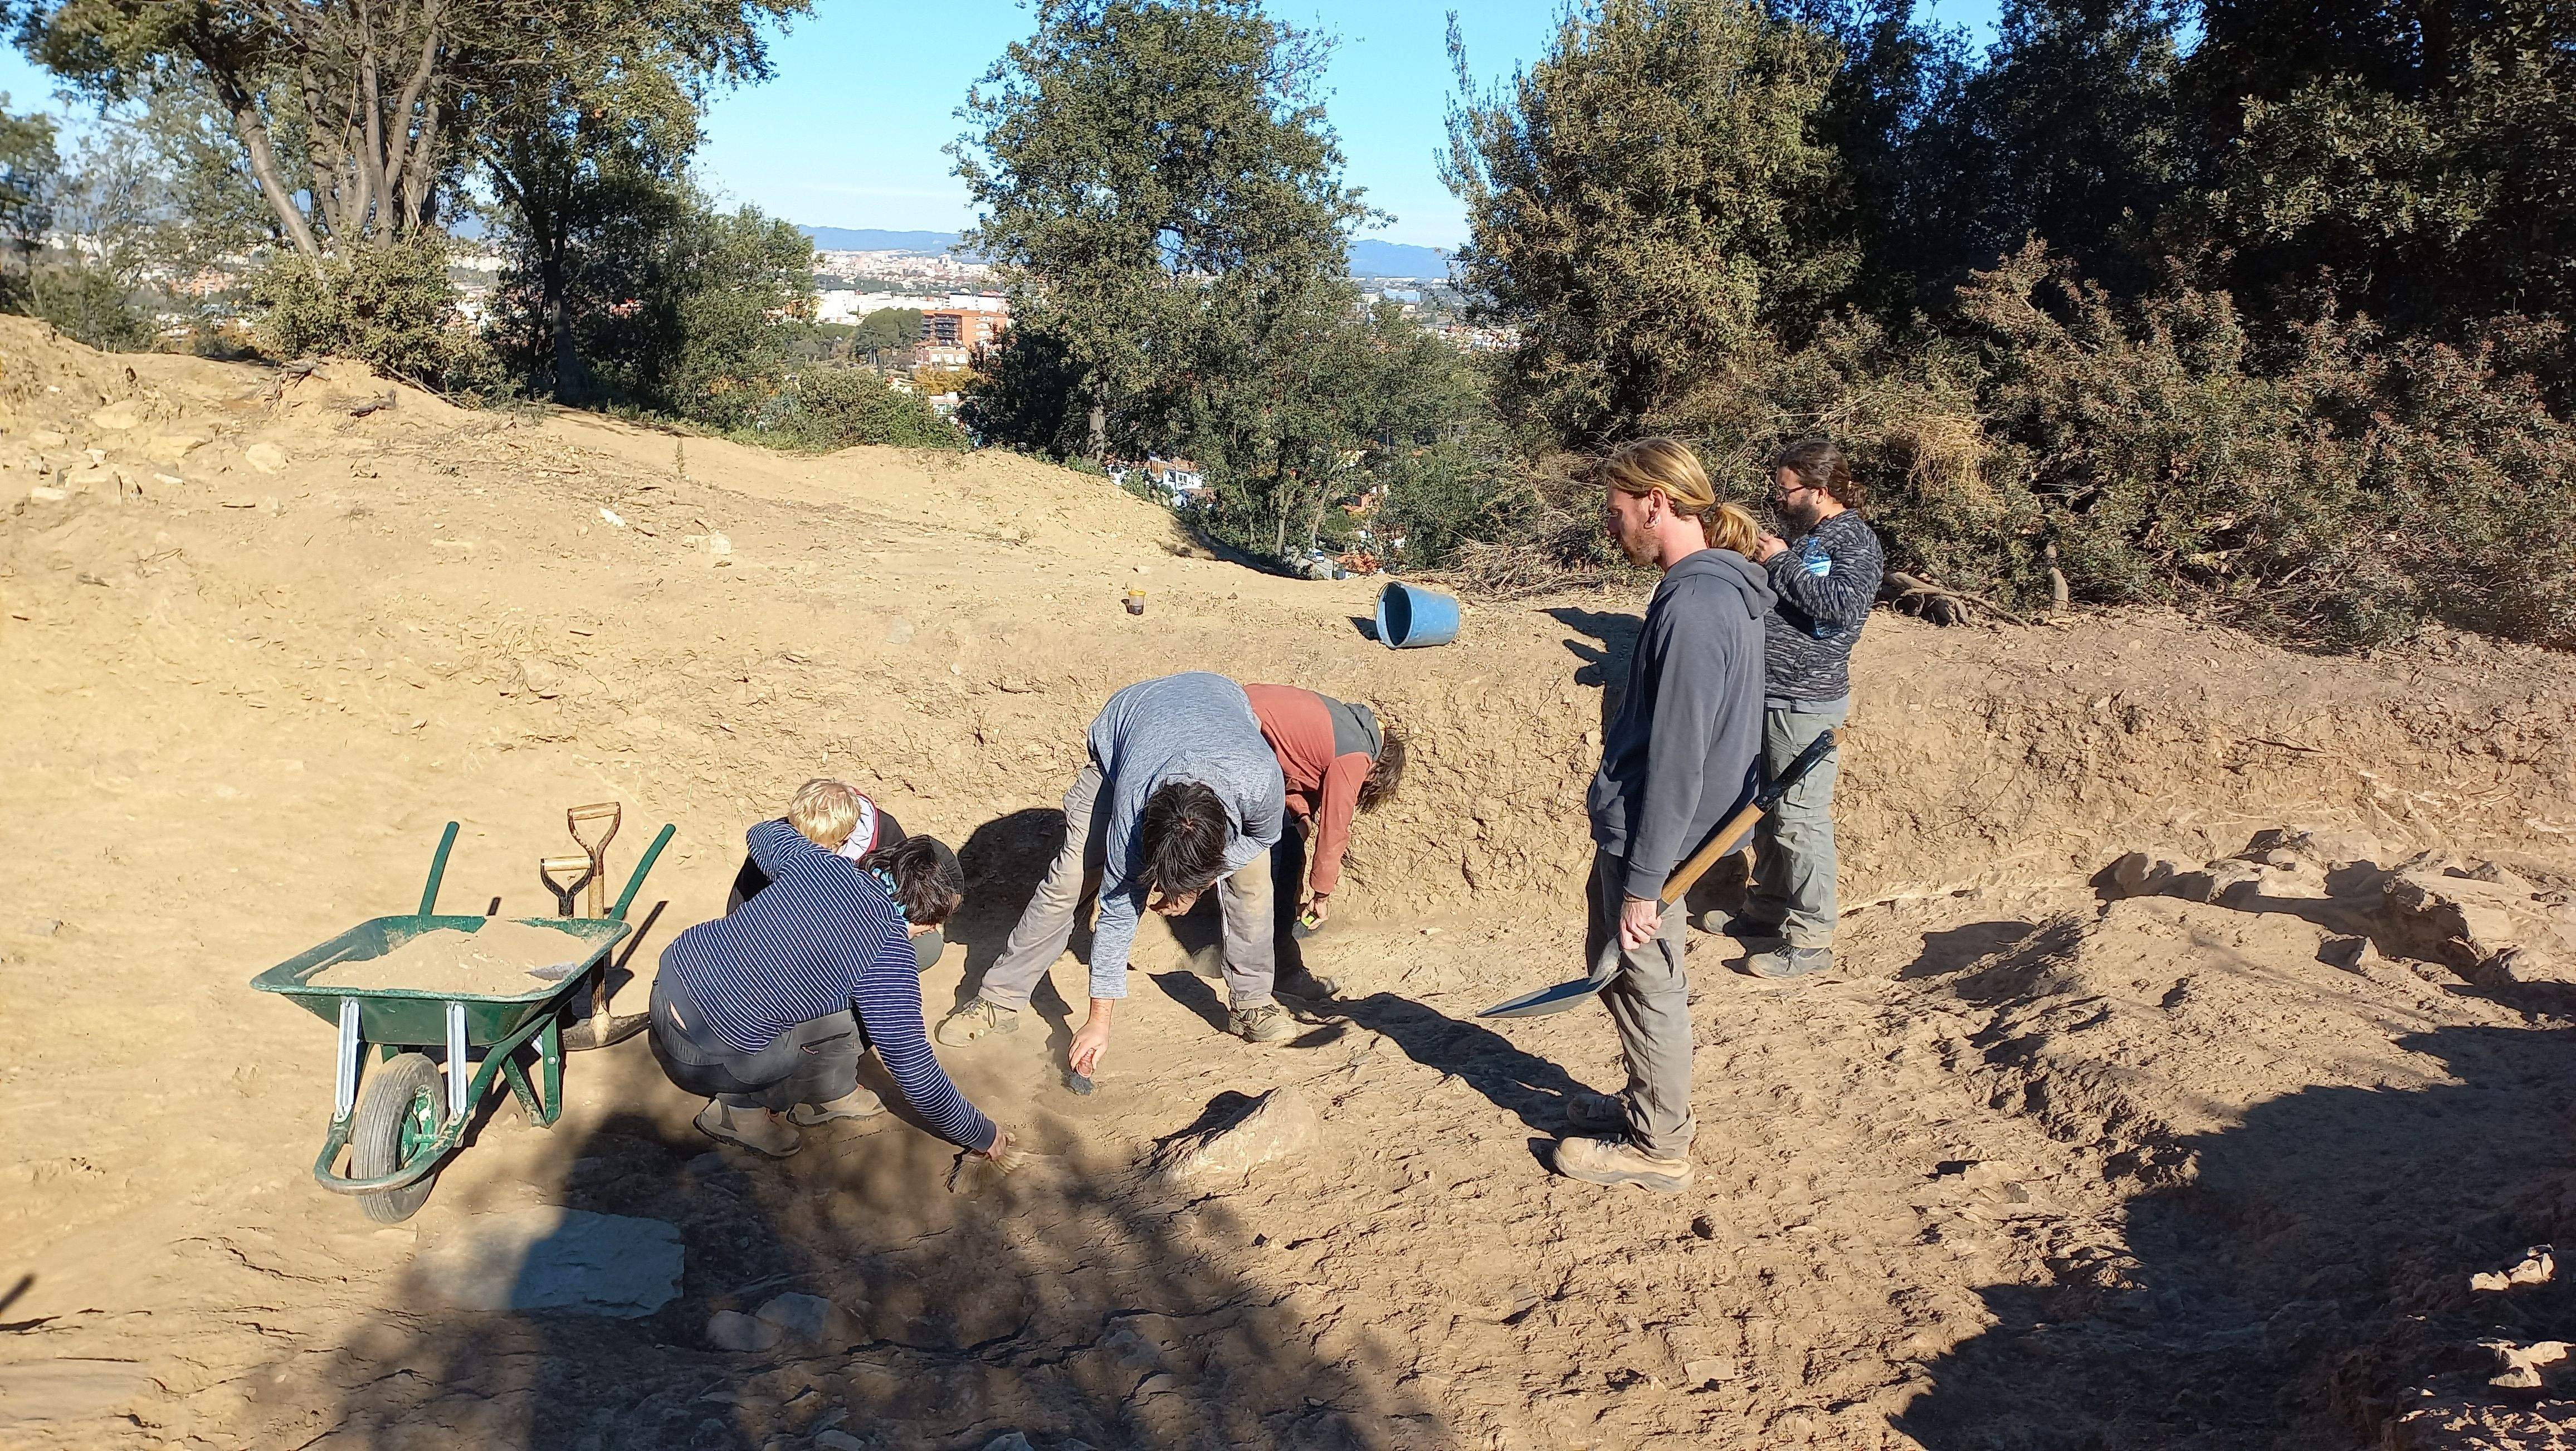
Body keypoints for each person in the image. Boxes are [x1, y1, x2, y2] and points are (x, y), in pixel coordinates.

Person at [1554, 439, 1771, 1194]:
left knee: (1648, 984)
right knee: (1627, 978)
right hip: (1654, 833)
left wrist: (1645, 881)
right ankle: (1648, 1105)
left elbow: (1680, 756)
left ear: (1656, 503)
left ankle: (1658, 1147)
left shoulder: (1698, 605)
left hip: (1660, 840)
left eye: (1616, 513)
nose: (1610, 529)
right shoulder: (1705, 591)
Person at [936, 672, 1288, 1068]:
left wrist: (1196, 884)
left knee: (1252, 883)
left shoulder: (1259, 779)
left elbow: (1261, 838)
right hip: (1127, 736)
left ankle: (1253, 1004)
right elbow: (1119, 912)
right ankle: (999, 999)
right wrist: (1098, 1022)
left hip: (1219, 707)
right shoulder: (1134, 807)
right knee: (1071, 880)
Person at [647, 809, 1007, 1163]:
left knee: (814, 996)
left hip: (666, 986)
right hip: (701, 1056)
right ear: (927, 914)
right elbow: (914, 1070)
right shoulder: (889, 959)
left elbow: (762, 832)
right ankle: (739, 1113)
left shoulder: (821, 864)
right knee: (794, 1048)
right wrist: (982, 1133)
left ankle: (826, 1090)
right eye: (937, 921)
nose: (934, 931)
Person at [1735, 438, 1882, 979]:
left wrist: (1778, 562)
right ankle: (1767, 914)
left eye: (1785, 490)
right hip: (1777, 695)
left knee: (1799, 819)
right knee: (1771, 813)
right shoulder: (1816, 538)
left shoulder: (1855, 542)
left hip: (1807, 702)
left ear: (1818, 492)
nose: (1779, 498)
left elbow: (1839, 610)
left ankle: (1811, 940)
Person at [1243, 682, 1406, 963]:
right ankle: (1275, 960)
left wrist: (1302, 818)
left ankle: (1262, 941)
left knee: (1287, 844)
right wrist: (1321, 895)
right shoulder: (1356, 756)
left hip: (1238, 714)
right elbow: (1335, 831)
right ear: (1377, 771)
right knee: (1281, 857)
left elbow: (1299, 762)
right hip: (1243, 730)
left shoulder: (1345, 724)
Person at [728, 779, 943, 973]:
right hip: (791, 943)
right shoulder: (779, 841)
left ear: (848, 834)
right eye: (799, 838)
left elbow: (906, 896)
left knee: (928, 946)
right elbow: (743, 902)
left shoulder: (886, 837)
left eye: (820, 845)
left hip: (858, 938)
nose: (805, 851)